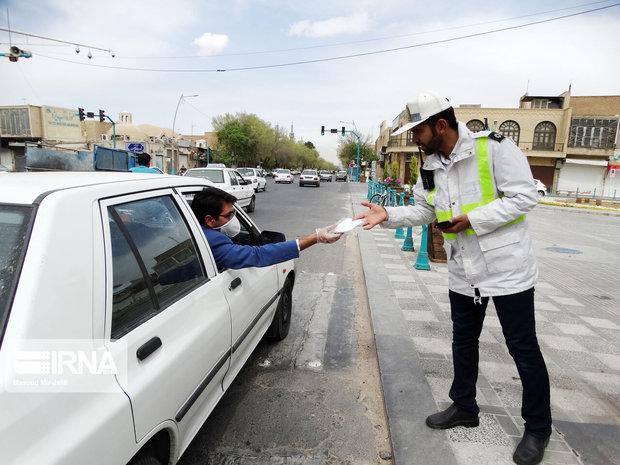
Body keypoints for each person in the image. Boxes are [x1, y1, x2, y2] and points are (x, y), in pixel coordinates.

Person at [354, 90, 552, 465]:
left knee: (523, 350)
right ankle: (464, 406)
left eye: (418, 132)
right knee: (463, 340)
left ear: (440, 125)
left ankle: (538, 428)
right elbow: (425, 210)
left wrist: (473, 220)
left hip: (508, 268)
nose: (414, 139)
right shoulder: (430, 165)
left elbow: (525, 197)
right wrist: (389, 216)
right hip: (463, 268)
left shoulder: (494, 148)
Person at [191, 186, 342, 270]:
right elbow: (258, 255)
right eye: (229, 215)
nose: (233, 219)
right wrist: (315, 237)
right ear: (210, 220)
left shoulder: (189, 233)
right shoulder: (213, 242)